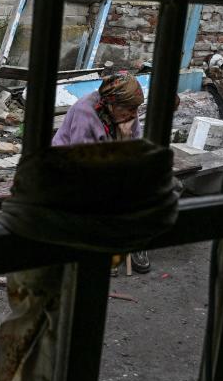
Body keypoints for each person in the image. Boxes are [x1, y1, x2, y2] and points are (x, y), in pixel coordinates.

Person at [50, 72, 152, 274]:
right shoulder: (84, 113)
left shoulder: (127, 110)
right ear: (111, 104)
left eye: (136, 109)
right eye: (130, 109)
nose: (134, 114)